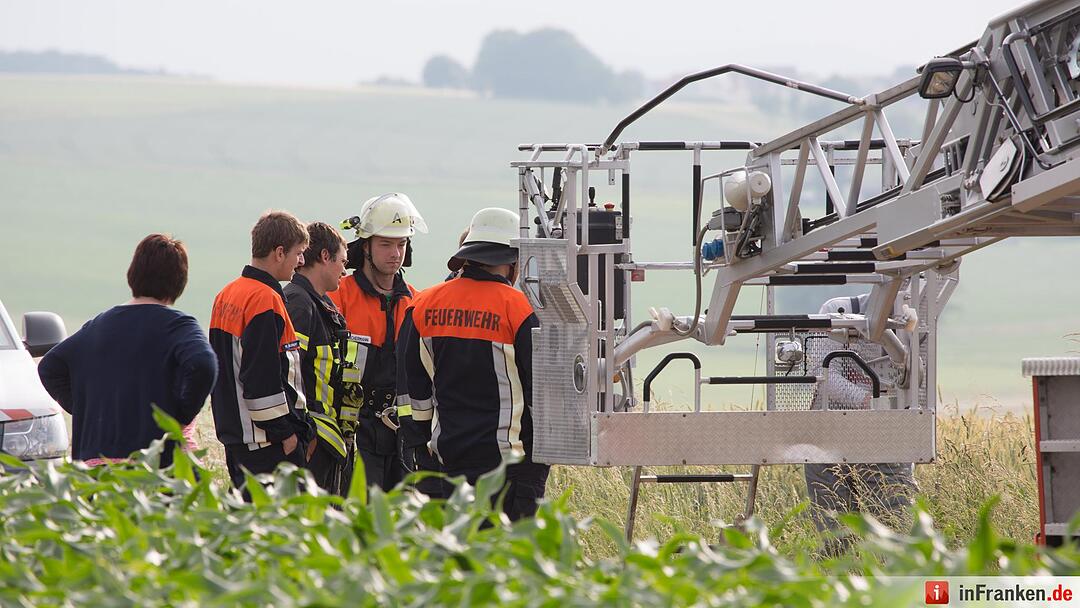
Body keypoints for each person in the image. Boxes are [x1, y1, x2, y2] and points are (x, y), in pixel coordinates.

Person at [398, 207, 547, 520]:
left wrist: (420, 442)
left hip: (445, 461)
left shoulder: (423, 304)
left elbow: (414, 389)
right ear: (512, 262)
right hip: (509, 468)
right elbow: (540, 392)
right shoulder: (518, 308)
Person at [38, 234, 217, 467]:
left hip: (95, 471)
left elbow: (49, 367)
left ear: (133, 274)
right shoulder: (179, 327)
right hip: (154, 469)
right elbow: (203, 363)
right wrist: (179, 415)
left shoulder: (98, 326)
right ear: (179, 282)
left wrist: (86, 408)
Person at [209, 211, 316, 492]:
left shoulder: (228, 293)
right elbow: (262, 379)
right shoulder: (264, 299)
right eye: (299, 253)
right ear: (279, 253)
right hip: (267, 445)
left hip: (238, 439)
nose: (301, 261)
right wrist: (288, 434)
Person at [803, 293, 918, 549]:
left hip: (888, 439)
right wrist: (869, 400)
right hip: (830, 435)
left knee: (895, 532)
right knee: (836, 535)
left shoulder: (915, 324)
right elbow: (822, 374)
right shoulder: (837, 310)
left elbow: (918, 378)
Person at [329, 192, 427, 491]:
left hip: (402, 436)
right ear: (366, 247)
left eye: (401, 244)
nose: (395, 253)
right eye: (385, 243)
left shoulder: (416, 301)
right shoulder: (338, 296)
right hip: (354, 431)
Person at [283, 221, 351, 493]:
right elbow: (288, 375)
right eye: (342, 261)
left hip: (323, 440)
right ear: (324, 256)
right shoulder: (299, 303)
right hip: (310, 442)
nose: (345, 270)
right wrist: (303, 435)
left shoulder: (320, 305)